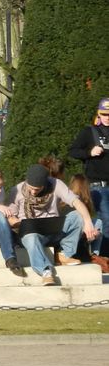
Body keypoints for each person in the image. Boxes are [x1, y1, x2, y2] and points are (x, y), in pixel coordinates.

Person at [6, 163, 99, 285]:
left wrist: (88, 222)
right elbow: (10, 217)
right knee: (30, 237)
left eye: (37, 189)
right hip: (31, 232)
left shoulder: (56, 184)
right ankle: (45, 271)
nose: (33, 192)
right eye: (31, 188)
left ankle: (64, 254)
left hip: (53, 228)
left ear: (45, 183)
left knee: (77, 215)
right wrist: (19, 223)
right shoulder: (16, 190)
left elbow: (76, 202)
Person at [67, 97, 109, 256]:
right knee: (106, 220)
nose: (107, 117)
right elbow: (72, 151)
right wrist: (89, 153)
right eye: (104, 114)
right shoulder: (89, 132)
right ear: (99, 114)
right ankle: (105, 257)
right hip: (99, 186)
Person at [68, 174, 104, 260]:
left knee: (98, 222)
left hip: (81, 233)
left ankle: (95, 255)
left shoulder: (67, 198)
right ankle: (95, 255)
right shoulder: (77, 202)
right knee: (98, 223)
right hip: (73, 235)